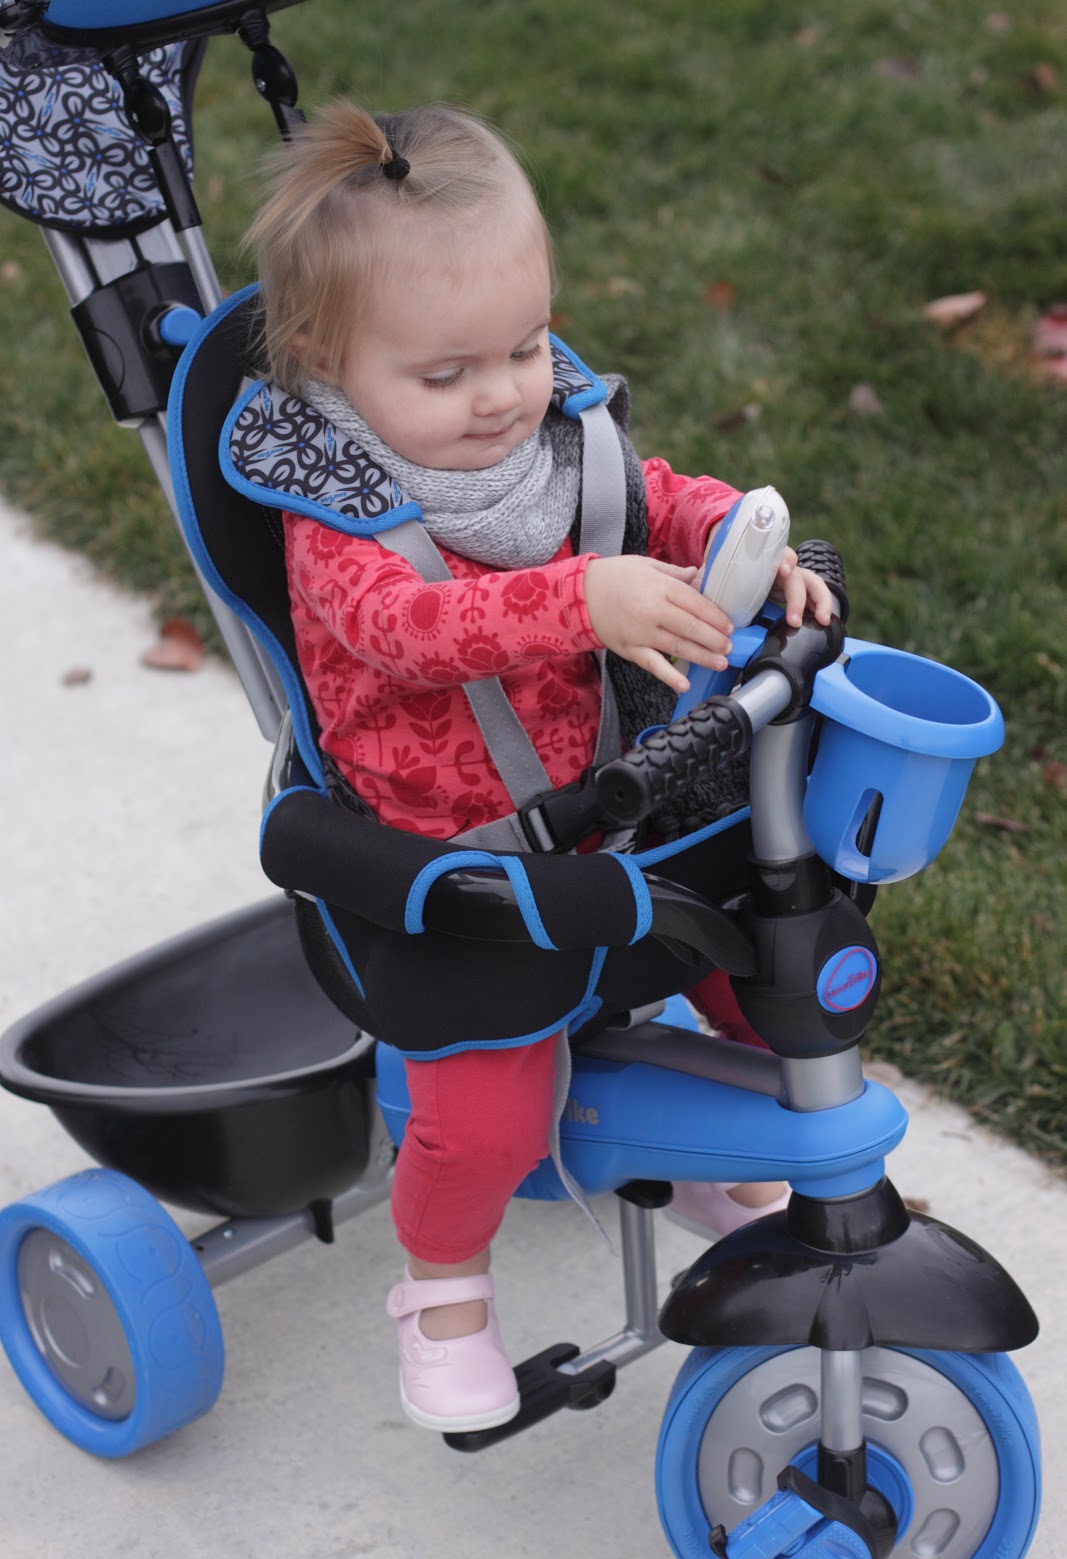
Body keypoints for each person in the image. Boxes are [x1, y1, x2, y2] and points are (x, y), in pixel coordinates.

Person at [245, 100, 833, 1433]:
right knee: (484, 1122)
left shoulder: (536, 429)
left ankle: (692, 1151)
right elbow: (410, 632)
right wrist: (585, 602)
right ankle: (441, 1285)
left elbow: (641, 483)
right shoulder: (338, 518)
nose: (503, 392)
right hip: (450, 858)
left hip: (603, 803)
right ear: (329, 363)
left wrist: (741, 532)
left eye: (522, 346)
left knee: (749, 955)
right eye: (447, 376)